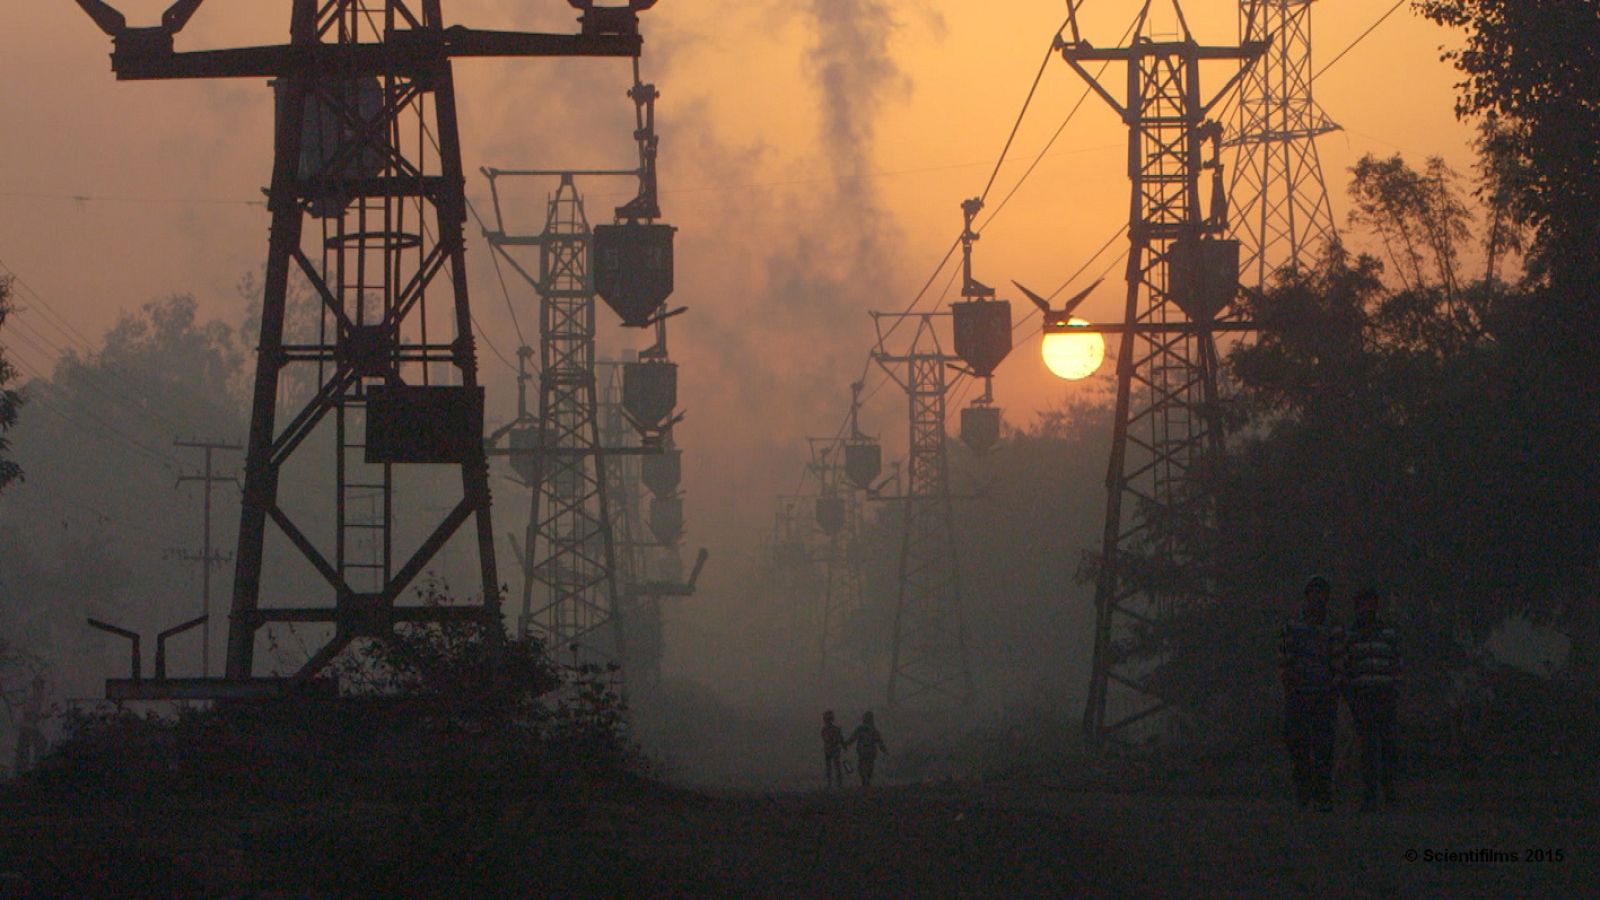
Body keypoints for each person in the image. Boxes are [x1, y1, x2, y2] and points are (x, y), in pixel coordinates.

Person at [1279, 574, 1342, 811]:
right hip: (1299, 693)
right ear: (1307, 597)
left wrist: (1335, 683)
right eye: (1315, 593)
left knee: (1324, 747)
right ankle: (1303, 789)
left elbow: (1339, 658)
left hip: (1324, 694)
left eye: (1322, 594)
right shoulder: (1293, 626)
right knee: (1297, 744)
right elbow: (1285, 657)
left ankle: (1323, 794)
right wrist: (1289, 683)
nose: (1318, 598)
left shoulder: (1334, 627)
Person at [1343, 588, 1401, 811]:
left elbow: (1397, 663)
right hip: (1363, 698)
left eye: (1371, 604)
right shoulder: (1351, 636)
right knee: (1367, 748)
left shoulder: (1388, 633)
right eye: (1364, 604)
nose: (1368, 608)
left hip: (1385, 696)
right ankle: (1370, 795)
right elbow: (1347, 667)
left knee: (1388, 746)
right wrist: (1352, 697)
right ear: (1358, 608)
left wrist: (1394, 690)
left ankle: (1389, 792)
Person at [844, 710, 888, 788]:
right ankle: (867, 780)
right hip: (870, 751)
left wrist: (845, 744)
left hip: (862, 751)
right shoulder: (873, 729)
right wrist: (884, 750)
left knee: (862, 766)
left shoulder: (861, 728)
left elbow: (853, 738)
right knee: (869, 765)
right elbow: (879, 741)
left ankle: (864, 781)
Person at [820, 710, 846, 788]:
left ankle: (832, 784)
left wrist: (843, 745)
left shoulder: (825, 730)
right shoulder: (834, 729)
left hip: (831, 749)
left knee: (832, 767)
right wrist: (844, 746)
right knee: (834, 767)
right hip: (832, 749)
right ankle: (836, 784)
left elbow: (839, 739)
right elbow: (840, 739)